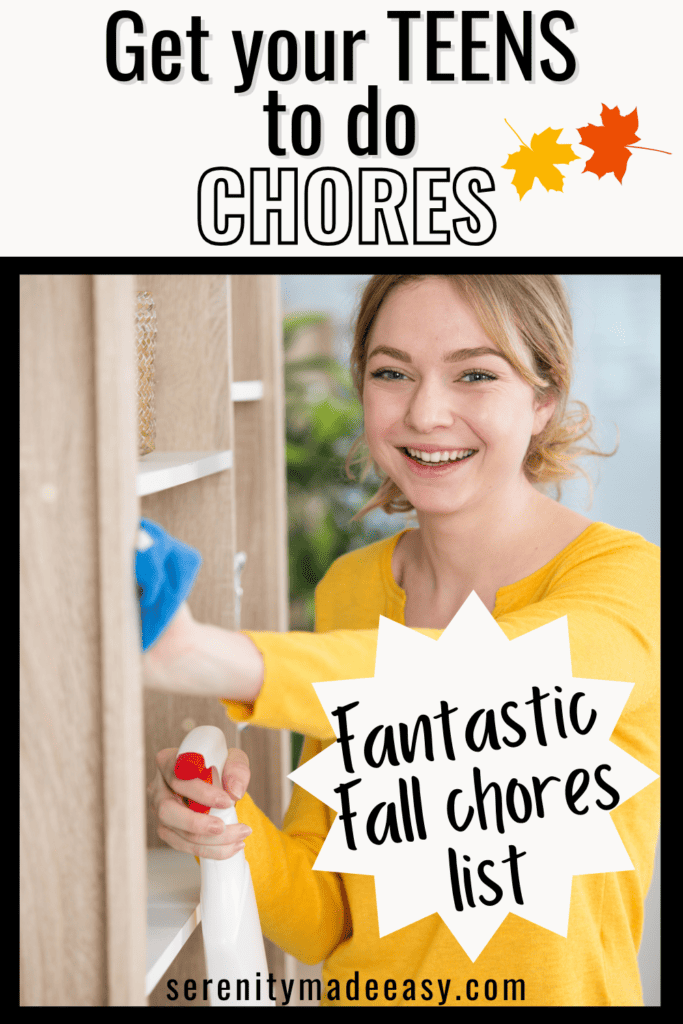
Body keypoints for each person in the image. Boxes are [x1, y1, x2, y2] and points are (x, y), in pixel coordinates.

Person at [145, 275, 659, 1006]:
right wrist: (228, 828)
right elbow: (325, 920)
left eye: (474, 374)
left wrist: (205, 654)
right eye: (392, 373)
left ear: (543, 398)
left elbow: (501, 684)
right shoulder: (351, 590)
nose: (425, 411)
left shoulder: (625, 581)